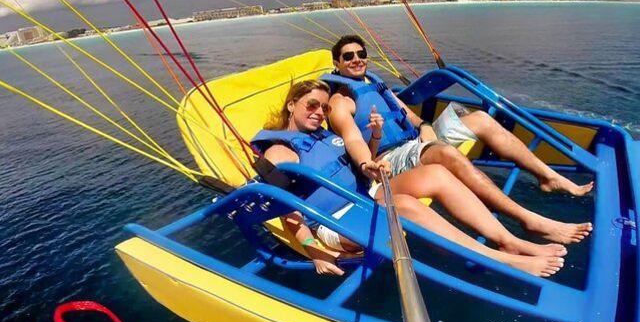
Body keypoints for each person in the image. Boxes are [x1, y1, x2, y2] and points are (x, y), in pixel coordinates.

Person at [252, 80, 565, 277]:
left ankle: (510, 241)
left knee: (437, 173)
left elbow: (357, 156)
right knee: (400, 204)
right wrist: (315, 251)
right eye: (311, 105)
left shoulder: (322, 135)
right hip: (334, 222)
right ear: (292, 105)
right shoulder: (281, 149)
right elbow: (282, 207)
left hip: (366, 195)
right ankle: (499, 260)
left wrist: (373, 148)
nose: (320, 112)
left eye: (323, 106)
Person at [322, 35, 593, 245]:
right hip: (390, 158)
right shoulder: (340, 103)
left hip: (417, 141)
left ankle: (548, 177)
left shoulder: (376, 84)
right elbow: (354, 141)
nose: (357, 59)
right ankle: (528, 219)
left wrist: (426, 125)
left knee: (481, 119)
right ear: (337, 64)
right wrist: (366, 164)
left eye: (361, 54)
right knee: (445, 153)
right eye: (348, 56)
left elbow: (411, 118)